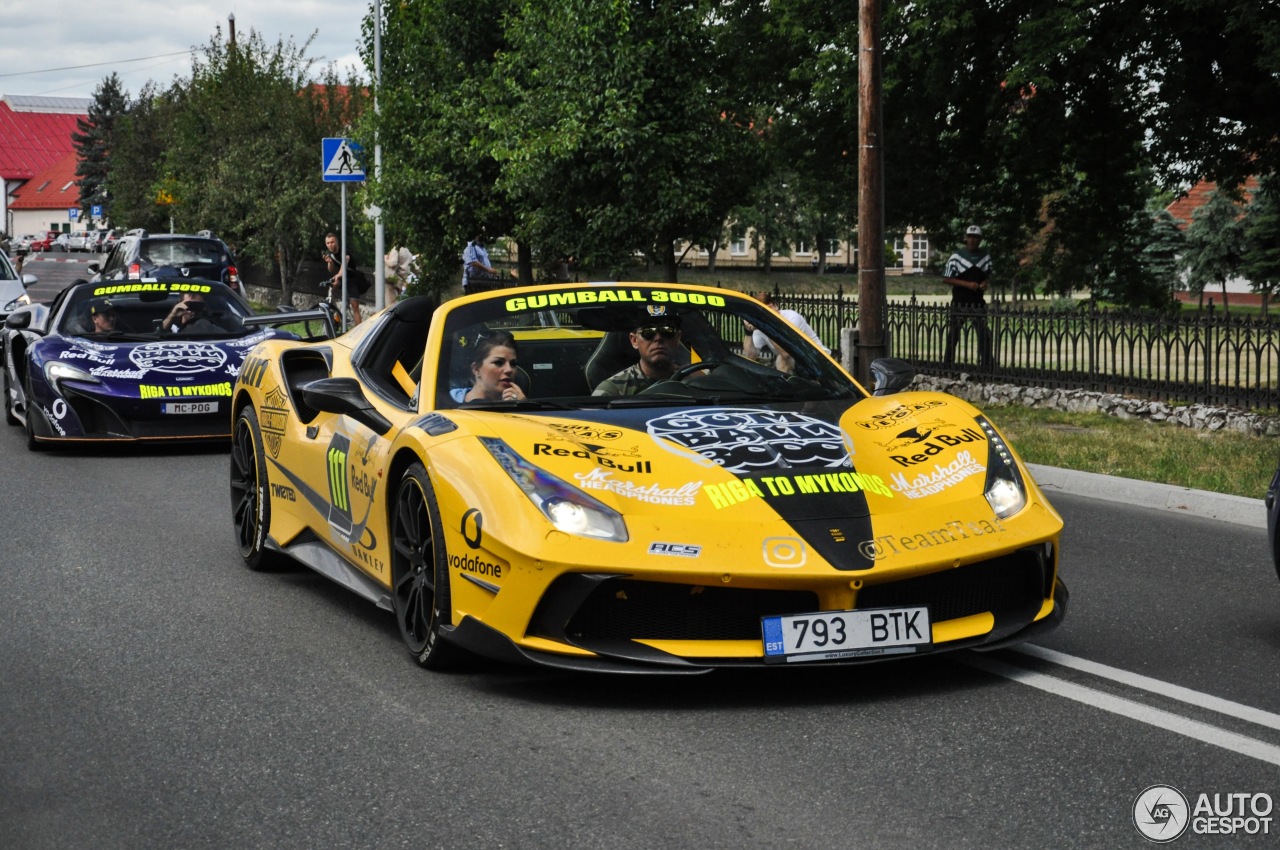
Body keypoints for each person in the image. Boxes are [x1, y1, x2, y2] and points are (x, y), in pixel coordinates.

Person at [943, 224, 994, 370]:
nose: (972, 240)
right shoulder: (956, 256)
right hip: (960, 300)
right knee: (954, 333)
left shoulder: (985, 257)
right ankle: (948, 362)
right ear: (966, 238)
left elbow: (988, 275)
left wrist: (985, 283)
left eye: (975, 238)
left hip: (977, 301)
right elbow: (946, 278)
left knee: (983, 333)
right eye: (970, 237)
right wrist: (967, 284)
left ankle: (986, 363)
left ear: (980, 239)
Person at [592, 317, 684, 397]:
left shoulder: (693, 382)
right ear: (634, 340)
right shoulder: (611, 391)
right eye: (648, 332)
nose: (658, 338)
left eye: (667, 331)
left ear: (678, 338)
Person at [741, 292, 829, 374]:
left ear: (773, 306)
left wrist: (768, 327)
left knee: (782, 359)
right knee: (781, 360)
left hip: (818, 361)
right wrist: (748, 332)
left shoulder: (792, 318)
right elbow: (750, 357)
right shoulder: (761, 325)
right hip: (799, 363)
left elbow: (786, 353)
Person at [462, 332, 526, 402]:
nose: (509, 369)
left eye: (513, 364)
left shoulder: (514, 403)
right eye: (498, 362)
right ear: (476, 369)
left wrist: (522, 406)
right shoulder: (450, 405)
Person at [323, 232, 369, 326]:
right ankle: (336, 312)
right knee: (332, 287)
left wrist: (338, 275)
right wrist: (330, 262)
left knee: (354, 305)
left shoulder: (345, 251)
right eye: (328, 243)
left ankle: (358, 329)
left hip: (352, 278)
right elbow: (331, 270)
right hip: (342, 278)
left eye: (332, 242)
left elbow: (343, 266)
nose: (330, 245)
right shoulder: (329, 254)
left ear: (337, 242)